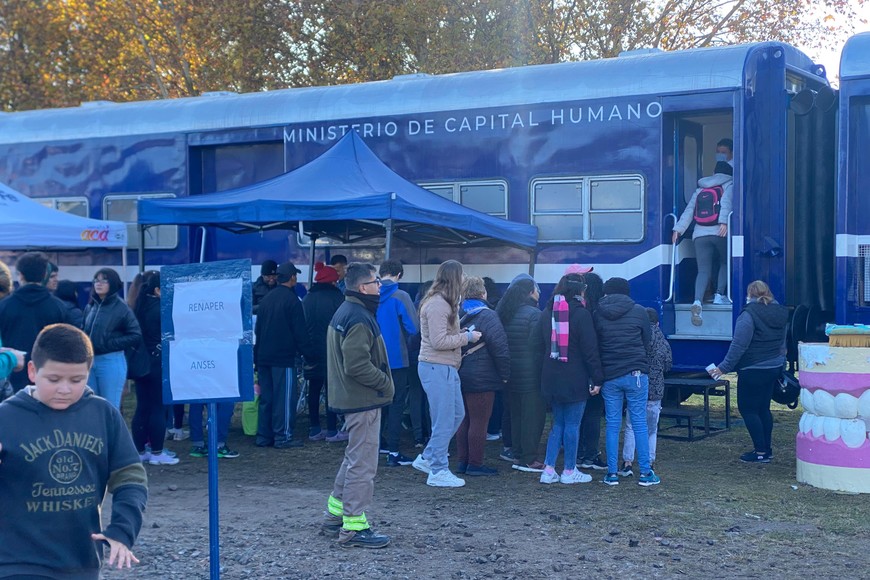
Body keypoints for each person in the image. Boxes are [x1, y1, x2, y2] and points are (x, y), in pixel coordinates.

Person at [0, 323, 148, 577]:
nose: (65, 389)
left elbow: (131, 478)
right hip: (17, 562)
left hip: (81, 561)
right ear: (33, 372)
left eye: (76, 380)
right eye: (54, 379)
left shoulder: (104, 415)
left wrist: (123, 530)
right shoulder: (6, 417)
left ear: (89, 374)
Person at [322, 262, 394, 549]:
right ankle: (354, 527)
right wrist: (385, 383)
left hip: (351, 399)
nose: (380, 286)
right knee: (363, 465)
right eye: (376, 282)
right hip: (362, 400)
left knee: (353, 458)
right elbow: (356, 365)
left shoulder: (346, 311)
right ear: (363, 287)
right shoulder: (359, 317)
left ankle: (334, 517)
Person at [412, 260, 481, 488]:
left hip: (444, 366)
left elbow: (441, 336)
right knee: (444, 420)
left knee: (456, 415)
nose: (464, 280)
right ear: (454, 278)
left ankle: (429, 457)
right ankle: (438, 470)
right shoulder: (438, 305)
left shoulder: (443, 303)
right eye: (462, 275)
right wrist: (467, 338)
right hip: (437, 366)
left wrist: (460, 333)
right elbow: (439, 341)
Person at [708, 280, 788, 463]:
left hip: (753, 368)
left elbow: (739, 345)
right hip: (773, 366)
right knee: (763, 409)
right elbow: (782, 344)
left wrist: (723, 368)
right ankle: (767, 449)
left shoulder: (748, 314)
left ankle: (759, 452)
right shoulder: (780, 313)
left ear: (749, 294)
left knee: (748, 409)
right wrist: (781, 364)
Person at [538, 272, 603, 485]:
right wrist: (597, 378)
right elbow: (590, 350)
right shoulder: (582, 315)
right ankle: (568, 470)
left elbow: (539, 344)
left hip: (551, 375)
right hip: (575, 376)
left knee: (558, 423)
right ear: (581, 291)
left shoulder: (548, 312)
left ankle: (548, 469)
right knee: (573, 424)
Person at [594, 277, 660, 487]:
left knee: (613, 425)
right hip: (636, 374)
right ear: (627, 292)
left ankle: (612, 473)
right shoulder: (639, 311)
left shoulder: (598, 313)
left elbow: (596, 343)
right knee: (639, 423)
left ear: (607, 292)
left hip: (610, 375)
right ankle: (646, 473)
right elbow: (647, 340)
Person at [254, 261, 314, 448]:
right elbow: (300, 332)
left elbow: (258, 330)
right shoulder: (292, 301)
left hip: (263, 357)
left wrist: (257, 358)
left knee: (267, 398)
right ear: (292, 278)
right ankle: (283, 436)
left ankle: (264, 436)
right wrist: (310, 355)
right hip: (283, 358)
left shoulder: (266, 300)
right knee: (285, 398)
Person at [455, 276, 509, 476]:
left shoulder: (457, 312)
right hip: (482, 376)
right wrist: (504, 375)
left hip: (459, 372)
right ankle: (475, 464)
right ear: (482, 293)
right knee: (479, 421)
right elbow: (500, 348)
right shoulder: (489, 316)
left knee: (463, 420)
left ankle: (462, 461)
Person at [672, 161, 734, 326]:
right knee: (724, 262)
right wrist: (724, 223)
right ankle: (719, 295)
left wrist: (678, 229)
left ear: (714, 172)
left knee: (703, 270)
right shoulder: (729, 184)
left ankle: (697, 301)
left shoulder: (701, 188)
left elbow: (689, 210)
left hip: (699, 234)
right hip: (719, 232)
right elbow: (727, 203)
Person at [0, 252, 71, 392]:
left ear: (20, 275)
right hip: (49, 375)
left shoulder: (4, 306)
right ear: (45, 274)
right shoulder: (59, 307)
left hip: (11, 377)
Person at [495, 276, 545, 472]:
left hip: (510, 373)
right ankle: (529, 458)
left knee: (515, 415)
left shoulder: (505, 313)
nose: (539, 292)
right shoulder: (534, 314)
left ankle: (517, 453)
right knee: (532, 417)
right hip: (530, 373)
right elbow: (538, 345)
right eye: (536, 289)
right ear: (529, 293)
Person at [131, 271, 178, 465]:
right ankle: (158, 453)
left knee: (142, 407)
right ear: (158, 290)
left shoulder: (138, 306)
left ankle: (140, 451)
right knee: (158, 408)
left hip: (141, 364)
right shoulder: (162, 309)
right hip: (158, 363)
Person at [619, 307, 672, 477]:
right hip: (655, 391)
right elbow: (668, 365)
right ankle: (649, 461)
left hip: (637, 387)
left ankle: (627, 462)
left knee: (631, 426)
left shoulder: (638, 338)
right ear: (657, 322)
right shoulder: (663, 342)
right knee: (651, 429)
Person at [376, 259, 418, 467]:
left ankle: (377, 444)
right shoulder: (401, 296)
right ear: (399, 275)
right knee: (396, 404)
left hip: (373, 360)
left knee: (377, 403)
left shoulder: (370, 294)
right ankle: (393, 451)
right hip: (397, 359)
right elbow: (414, 328)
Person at [83, 268, 142, 409]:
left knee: (110, 406)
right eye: (96, 280)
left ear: (113, 283)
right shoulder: (90, 306)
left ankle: (113, 432)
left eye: (104, 280)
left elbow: (135, 334)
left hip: (110, 361)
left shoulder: (121, 308)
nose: (99, 283)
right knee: (90, 405)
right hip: (90, 361)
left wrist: (109, 344)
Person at [302, 261, 345, 441]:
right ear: (332, 282)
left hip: (312, 351)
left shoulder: (307, 299)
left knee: (313, 389)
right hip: (332, 350)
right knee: (332, 391)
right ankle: (332, 430)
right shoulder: (338, 298)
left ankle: (314, 429)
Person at [577, 272, 608, 471]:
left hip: (577, 368)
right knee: (593, 413)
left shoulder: (578, 311)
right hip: (597, 367)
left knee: (577, 413)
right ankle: (591, 454)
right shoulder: (601, 313)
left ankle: (578, 451)